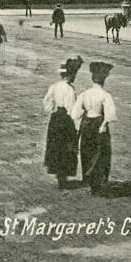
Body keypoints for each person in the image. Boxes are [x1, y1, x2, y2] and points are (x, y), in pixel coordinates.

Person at [71, 61, 118, 195]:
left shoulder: (85, 94)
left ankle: (91, 182)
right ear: (103, 79)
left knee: (87, 152)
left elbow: (75, 113)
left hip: (86, 124)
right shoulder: (105, 95)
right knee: (101, 154)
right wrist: (104, 125)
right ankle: (99, 183)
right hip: (99, 124)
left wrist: (81, 122)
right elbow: (109, 114)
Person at [43, 56, 83, 187]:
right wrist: (77, 124)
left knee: (56, 146)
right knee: (66, 147)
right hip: (66, 120)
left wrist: (52, 110)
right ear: (70, 75)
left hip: (56, 119)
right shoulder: (70, 90)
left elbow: (47, 101)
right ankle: (63, 175)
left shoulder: (55, 86)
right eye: (74, 74)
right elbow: (72, 108)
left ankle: (59, 174)